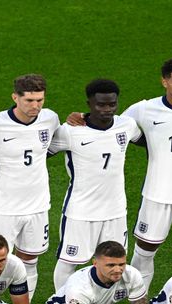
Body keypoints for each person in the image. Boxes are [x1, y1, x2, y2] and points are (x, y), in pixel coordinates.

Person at [69, 58, 172, 293]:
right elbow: (112, 123)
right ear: (164, 81)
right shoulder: (144, 109)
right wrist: (82, 117)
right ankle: (139, 301)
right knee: (145, 249)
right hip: (155, 195)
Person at [49, 79, 142, 290]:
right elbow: (40, 152)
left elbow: (146, 140)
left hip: (115, 211)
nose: (107, 110)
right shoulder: (70, 131)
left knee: (114, 262)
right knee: (69, 261)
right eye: (100, 105)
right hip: (81, 211)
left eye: (112, 104)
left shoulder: (126, 125)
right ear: (89, 104)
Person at [0, 74, 60, 301]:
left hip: (38, 206)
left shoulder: (50, 119)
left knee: (29, 262)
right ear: (15, 97)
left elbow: (50, 147)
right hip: (5, 207)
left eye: (40, 100)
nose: (36, 106)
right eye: (29, 100)